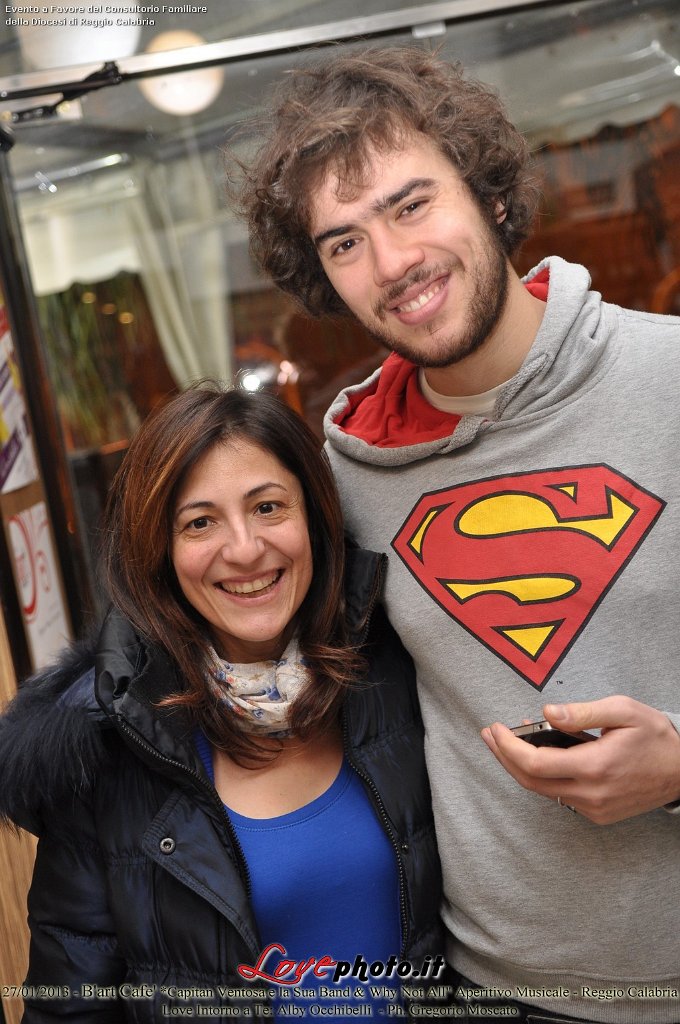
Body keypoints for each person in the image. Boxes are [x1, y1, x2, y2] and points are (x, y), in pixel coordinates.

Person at [234, 46, 680, 1023]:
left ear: (487, 192)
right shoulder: (348, 475)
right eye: (344, 243)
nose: (391, 263)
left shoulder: (670, 382)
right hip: (490, 987)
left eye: (409, 204)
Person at [0, 384, 443, 1022]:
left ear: (315, 517)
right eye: (200, 522)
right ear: (159, 551)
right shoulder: (109, 748)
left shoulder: (396, 671)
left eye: (268, 507)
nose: (244, 549)